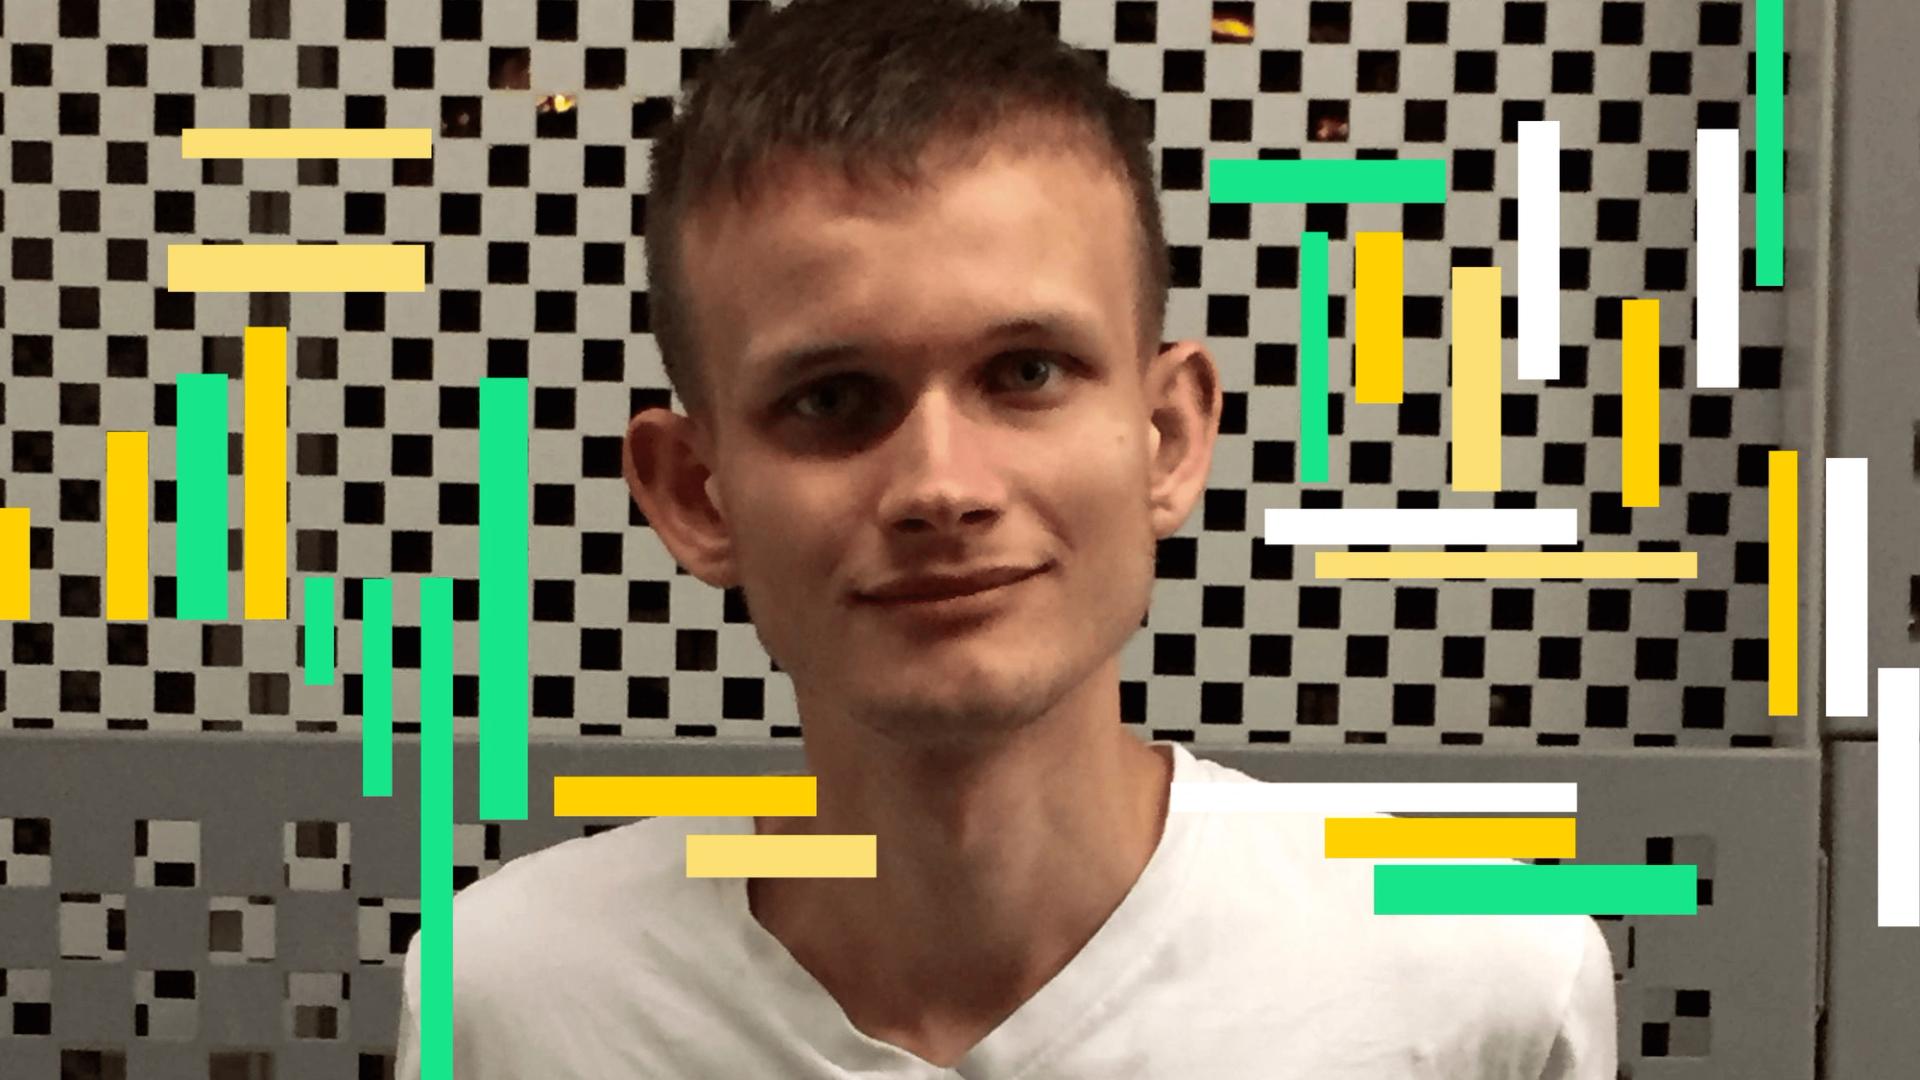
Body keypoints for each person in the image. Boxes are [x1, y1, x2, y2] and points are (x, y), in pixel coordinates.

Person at [396, 0, 1618, 1076]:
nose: (941, 486)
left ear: (1168, 438)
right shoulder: (511, 999)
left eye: (1026, 371)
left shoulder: (1477, 984)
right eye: (833, 400)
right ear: (696, 497)